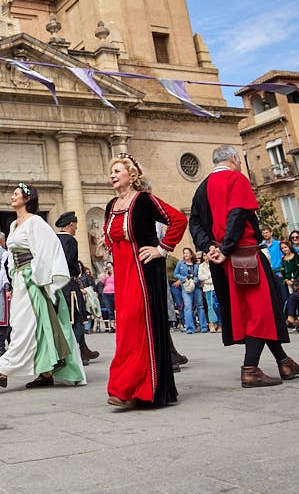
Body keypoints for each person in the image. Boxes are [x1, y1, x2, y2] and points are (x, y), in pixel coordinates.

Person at [188, 146, 299, 388]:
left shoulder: (202, 187)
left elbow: (195, 223)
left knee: (257, 310)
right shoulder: (236, 178)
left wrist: (209, 247)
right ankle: (250, 369)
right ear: (234, 159)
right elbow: (237, 215)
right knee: (259, 311)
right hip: (244, 255)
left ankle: (284, 361)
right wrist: (227, 247)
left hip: (223, 261)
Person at [0, 183, 85, 390]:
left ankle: (2, 370)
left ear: (27, 199)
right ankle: (45, 373)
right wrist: (11, 279)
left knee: (24, 326)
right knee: (30, 325)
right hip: (18, 279)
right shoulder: (13, 225)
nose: (12, 197)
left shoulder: (35, 222)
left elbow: (46, 249)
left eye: (16, 194)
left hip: (31, 280)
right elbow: (11, 256)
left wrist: (37, 275)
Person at [102, 154, 184, 408]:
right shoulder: (111, 205)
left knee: (141, 325)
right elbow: (109, 238)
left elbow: (178, 220)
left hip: (143, 271)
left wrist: (162, 248)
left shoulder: (145, 200)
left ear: (131, 174)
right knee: (126, 328)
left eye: (118, 170)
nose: (113, 174)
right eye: (111, 171)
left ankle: (144, 389)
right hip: (123, 274)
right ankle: (126, 388)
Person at [53, 212, 98, 362]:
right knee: (76, 317)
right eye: (75, 225)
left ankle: (84, 349)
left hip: (56, 284)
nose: (76, 228)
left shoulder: (53, 239)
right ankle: (76, 354)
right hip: (68, 283)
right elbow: (70, 262)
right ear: (70, 224)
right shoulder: (70, 241)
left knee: (65, 318)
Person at [174, 249, 201, 334]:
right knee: (188, 306)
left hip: (196, 286)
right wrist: (183, 278)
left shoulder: (196, 264)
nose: (185, 254)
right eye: (184, 253)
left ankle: (203, 327)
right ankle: (189, 328)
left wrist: (195, 280)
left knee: (200, 306)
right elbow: (176, 274)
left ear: (191, 255)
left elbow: (198, 275)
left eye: (187, 253)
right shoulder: (180, 263)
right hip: (186, 287)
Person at [197, 258, 219, 333]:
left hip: (215, 287)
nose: (207, 257)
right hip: (207, 288)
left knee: (217, 306)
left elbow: (216, 277)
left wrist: (207, 279)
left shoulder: (216, 263)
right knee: (210, 306)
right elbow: (200, 277)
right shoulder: (201, 266)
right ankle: (212, 323)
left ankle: (219, 324)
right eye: (205, 255)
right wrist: (209, 276)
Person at [98, 263, 116, 332]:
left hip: (115, 292)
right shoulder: (106, 275)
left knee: (116, 310)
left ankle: (117, 325)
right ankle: (112, 326)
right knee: (110, 310)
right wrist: (104, 272)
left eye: (110, 266)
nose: (109, 268)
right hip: (106, 293)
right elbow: (102, 281)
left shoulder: (116, 274)